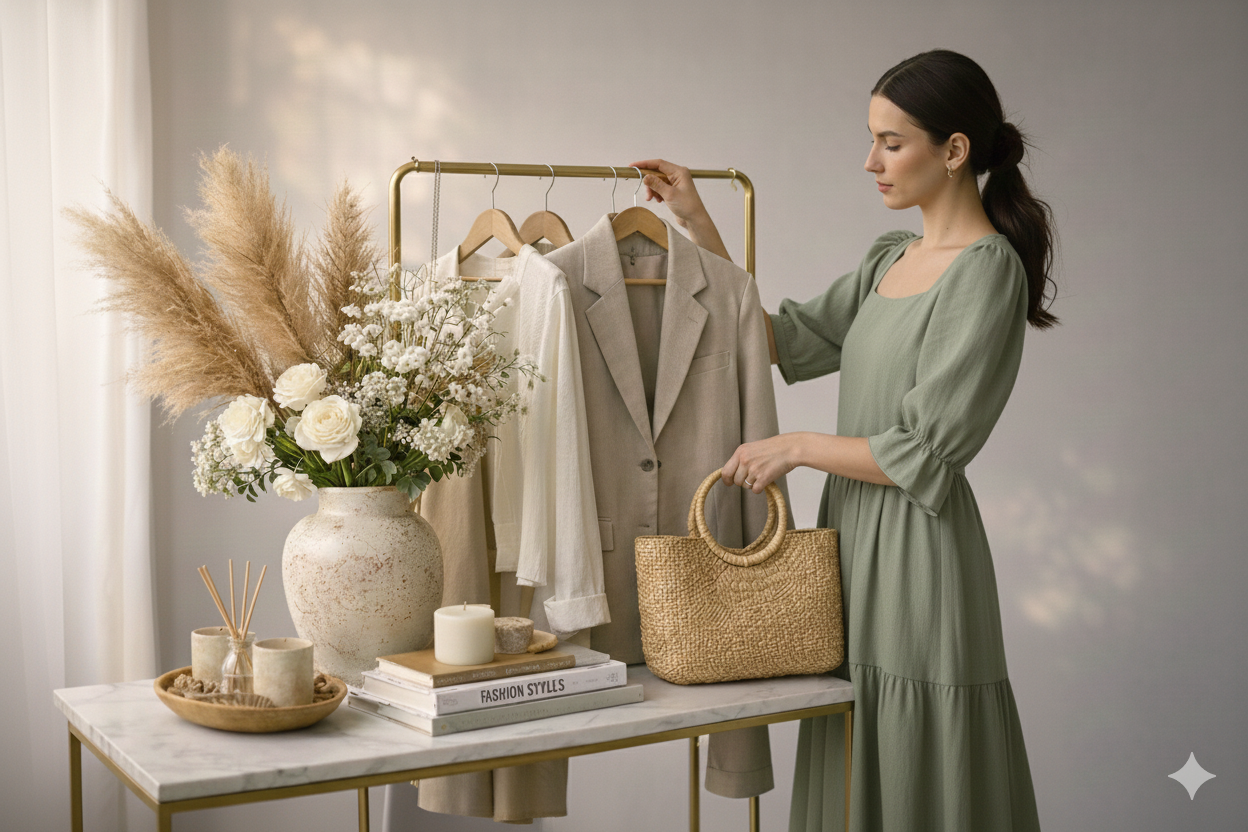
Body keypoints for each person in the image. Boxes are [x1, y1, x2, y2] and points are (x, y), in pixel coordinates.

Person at [632, 48, 1053, 832]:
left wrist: (795, 447)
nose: (871, 162)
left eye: (891, 142)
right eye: (872, 140)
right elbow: (773, 339)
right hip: (850, 538)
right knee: (854, 742)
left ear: (954, 151)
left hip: (920, 556)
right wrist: (696, 220)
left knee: (915, 760)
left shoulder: (988, 272)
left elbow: (925, 452)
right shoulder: (888, 258)